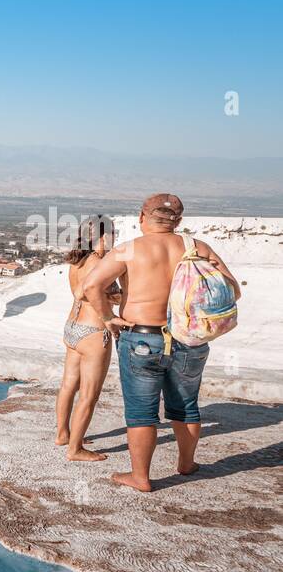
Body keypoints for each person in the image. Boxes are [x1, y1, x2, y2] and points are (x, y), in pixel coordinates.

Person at [83, 193, 242, 492]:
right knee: (186, 407)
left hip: (142, 338)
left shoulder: (129, 250)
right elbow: (232, 290)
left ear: (141, 217)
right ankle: (186, 463)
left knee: (141, 412)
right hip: (189, 339)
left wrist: (108, 317)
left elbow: (91, 285)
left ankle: (140, 477)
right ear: (178, 221)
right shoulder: (197, 248)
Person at [54, 217, 116, 461]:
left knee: (69, 384)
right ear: (102, 237)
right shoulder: (100, 262)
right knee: (89, 394)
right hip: (93, 331)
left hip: (72, 327)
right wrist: (110, 314)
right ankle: (76, 449)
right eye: (112, 235)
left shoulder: (76, 261)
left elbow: (83, 293)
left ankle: (63, 434)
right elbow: (89, 292)